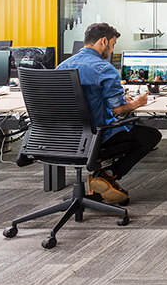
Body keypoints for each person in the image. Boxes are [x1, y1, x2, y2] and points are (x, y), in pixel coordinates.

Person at [57, 23, 161, 205]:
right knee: (151, 136)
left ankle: (103, 177)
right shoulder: (104, 69)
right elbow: (118, 110)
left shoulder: (62, 66)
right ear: (103, 41)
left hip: (64, 138)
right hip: (96, 137)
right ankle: (107, 175)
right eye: (112, 44)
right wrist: (137, 103)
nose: (112, 49)